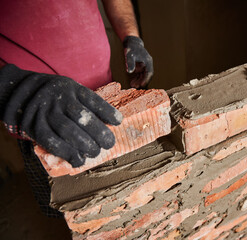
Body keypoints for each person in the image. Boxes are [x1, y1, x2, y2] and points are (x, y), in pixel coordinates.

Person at [0, 0, 153, 217]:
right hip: (43, 113)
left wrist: (132, 37)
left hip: (100, 95)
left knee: (115, 200)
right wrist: (11, 86)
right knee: (69, 209)